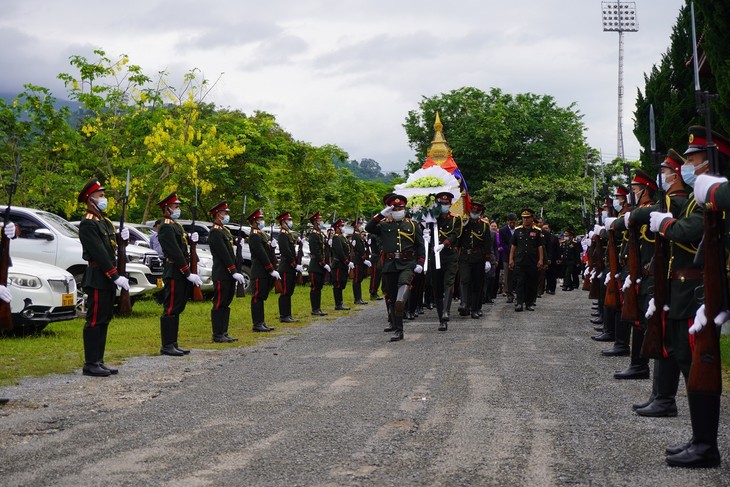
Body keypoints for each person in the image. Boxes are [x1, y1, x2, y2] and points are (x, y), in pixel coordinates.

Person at [650, 126, 730, 468]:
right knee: (693, 360)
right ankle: (702, 441)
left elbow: (691, 232)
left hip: (704, 286)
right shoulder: (703, 195)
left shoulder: (712, 194)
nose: (689, 168)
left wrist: (665, 225)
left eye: (695, 161)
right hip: (694, 287)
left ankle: (705, 444)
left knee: (700, 361)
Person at [627, 149, 688, 418]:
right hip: (665, 278)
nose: (660, 176)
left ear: (675, 175)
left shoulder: (677, 201)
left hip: (676, 281)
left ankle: (665, 399)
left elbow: (650, 215)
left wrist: (629, 217)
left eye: (664, 172)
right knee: (663, 336)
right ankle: (660, 396)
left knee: (672, 341)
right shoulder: (669, 202)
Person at [77, 178, 130, 375]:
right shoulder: (88, 224)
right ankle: (90, 363)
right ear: (90, 199)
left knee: (105, 318)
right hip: (98, 276)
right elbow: (99, 252)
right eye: (101, 195)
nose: (104, 198)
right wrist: (114, 275)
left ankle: (98, 360)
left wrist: (123, 238)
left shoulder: (104, 221)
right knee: (95, 319)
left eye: (104, 195)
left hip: (106, 278)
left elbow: (112, 246)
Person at [610, 169, 657, 379]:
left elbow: (622, 224)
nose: (632, 194)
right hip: (636, 270)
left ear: (645, 190)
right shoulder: (638, 211)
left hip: (647, 272)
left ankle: (641, 364)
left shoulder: (649, 211)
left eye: (635, 189)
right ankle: (638, 364)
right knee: (638, 318)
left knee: (644, 320)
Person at [365, 194, 424, 341]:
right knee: (391, 298)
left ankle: (400, 310)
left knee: (401, 291)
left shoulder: (412, 225)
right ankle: (398, 330)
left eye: (400, 207)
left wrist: (421, 263)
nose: (398, 210)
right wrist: (381, 215)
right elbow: (369, 227)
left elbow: (420, 245)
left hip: (407, 264)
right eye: (395, 208)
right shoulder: (384, 225)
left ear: (404, 209)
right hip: (390, 265)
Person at [157, 192, 203, 356]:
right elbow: (175, 252)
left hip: (179, 271)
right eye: (176, 206)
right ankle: (167, 345)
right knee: (170, 308)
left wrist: (191, 242)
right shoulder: (166, 226)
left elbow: (181, 248)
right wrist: (187, 272)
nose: (178, 209)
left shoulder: (175, 225)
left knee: (177, 307)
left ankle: (173, 342)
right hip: (174, 271)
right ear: (167, 208)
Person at [208, 201, 245, 342]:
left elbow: (230, 252)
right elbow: (223, 254)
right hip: (221, 273)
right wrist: (233, 270)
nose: (227, 215)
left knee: (226, 303)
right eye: (225, 213)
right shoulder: (215, 232)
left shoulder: (224, 231)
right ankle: (217, 334)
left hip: (228, 273)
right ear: (218, 214)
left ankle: (224, 332)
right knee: (219, 303)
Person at [429, 191, 461, 331]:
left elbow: (455, 234)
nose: (444, 205)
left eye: (446, 203)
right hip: (435, 256)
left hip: (449, 255)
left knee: (448, 283)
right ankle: (441, 319)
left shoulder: (455, 219)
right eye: (442, 203)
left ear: (451, 204)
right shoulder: (431, 219)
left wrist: (445, 244)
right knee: (437, 287)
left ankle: (446, 312)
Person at [457, 202, 491, 318]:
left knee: (477, 283)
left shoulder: (485, 226)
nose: (474, 214)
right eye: (472, 212)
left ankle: (475, 308)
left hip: (478, 258)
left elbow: (487, 244)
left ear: (481, 213)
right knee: (465, 279)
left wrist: (487, 259)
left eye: (477, 212)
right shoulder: (464, 224)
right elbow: (458, 241)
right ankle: (464, 303)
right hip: (465, 257)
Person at [247, 209, 279, 332]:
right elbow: (261, 254)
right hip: (259, 271)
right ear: (254, 221)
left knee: (261, 297)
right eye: (259, 219)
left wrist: (272, 247)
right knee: (257, 298)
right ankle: (257, 324)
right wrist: (270, 269)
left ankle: (261, 322)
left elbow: (266, 252)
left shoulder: (260, 234)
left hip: (263, 271)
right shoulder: (254, 235)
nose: (261, 221)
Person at [509, 208, 543, 312]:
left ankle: (529, 303)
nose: (526, 220)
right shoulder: (518, 230)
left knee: (531, 283)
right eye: (524, 218)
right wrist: (511, 259)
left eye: (528, 218)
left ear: (532, 218)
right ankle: (519, 303)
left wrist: (541, 260)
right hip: (520, 261)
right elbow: (513, 246)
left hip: (532, 261)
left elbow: (540, 246)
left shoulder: (537, 231)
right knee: (520, 282)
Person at [275, 211, 302, 323]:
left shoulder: (288, 234)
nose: (290, 222)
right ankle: (283, 316)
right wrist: (294, 264)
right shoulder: (282, 234)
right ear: (283, 222)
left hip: (289, 268)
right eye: (288, 220)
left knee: (289, 291)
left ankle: (288, 314)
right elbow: (286, 251)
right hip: (286, 267)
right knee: (285, 292)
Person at [307, 212, 329, 316]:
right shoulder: (313, 235)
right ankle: (314, 309)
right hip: (315, 265)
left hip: (320, 265)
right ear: (315, 222)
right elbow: (315, 250)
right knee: (315, 287)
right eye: (319, 220)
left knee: (319, 287)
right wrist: (322, 262)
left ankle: (318, 308)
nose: (321, 222)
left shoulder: (320, 234)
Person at [330, 218, 351, 310]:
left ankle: (340, 303)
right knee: (338, 283)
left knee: (342, 282)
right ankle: (338, 304)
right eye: (341, 226)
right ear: (337, 228)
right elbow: (339, 251)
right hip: (338, 264)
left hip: (343, 264)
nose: (343, 227)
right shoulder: (336, 237)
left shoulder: (342, 237)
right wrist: (346, 261)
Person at [350, 217, 372, 305]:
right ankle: (357, 298)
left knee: (359, 279)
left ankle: (359, 297)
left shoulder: (358, 235)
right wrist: (363, 258)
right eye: (359, 224)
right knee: (356, 279)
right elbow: (358, 249)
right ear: (356, 226)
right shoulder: (355, 236)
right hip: (358, 260)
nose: (361, 225)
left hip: (360, 260)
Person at [498, 214, 517, 302]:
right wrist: (511, 251)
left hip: (518, 256)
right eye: (510, 222)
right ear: (508, 221)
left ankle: (518, 293)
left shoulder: (518, 230)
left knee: (518, 275)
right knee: (508, 276)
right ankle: (509, 294)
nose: (512, 224)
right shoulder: (503, 230)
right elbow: (503, 243)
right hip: (507, 255)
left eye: (514, 222)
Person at [542, 221, 560, 294]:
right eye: (544, 228)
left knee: (552, 275)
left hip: (552, 258)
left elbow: (557, 248)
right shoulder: (541, 236)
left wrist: (558, 258)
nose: (546, 230)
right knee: (544, 275)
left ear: (549, 229)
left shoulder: (554, 237)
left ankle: (552, 289)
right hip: (543, 258)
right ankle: (545, 288)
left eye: (547, 228)